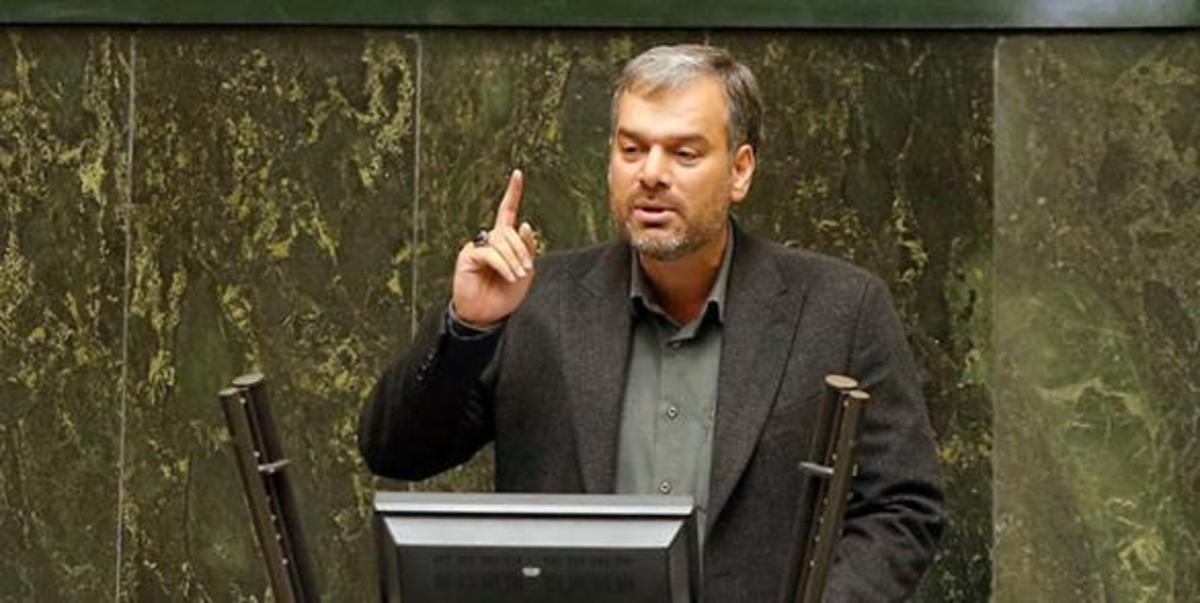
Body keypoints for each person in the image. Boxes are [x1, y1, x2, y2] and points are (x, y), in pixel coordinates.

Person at [359, 44, 944, 602]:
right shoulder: (535, 302)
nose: (651, 174)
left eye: (684, 154)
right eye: (632, 149)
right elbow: (397, 451)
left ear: (740, 170)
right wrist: (469, 326)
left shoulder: (840, 308)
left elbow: (903, 505)